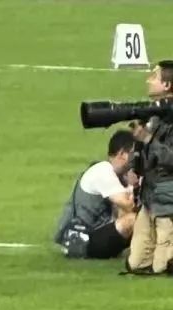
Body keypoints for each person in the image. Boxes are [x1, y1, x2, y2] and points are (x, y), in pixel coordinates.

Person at [53, 130, 138, 260]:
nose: (136, 158)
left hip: (90, 235)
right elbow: (128, 204)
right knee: (134, 219)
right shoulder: (103, 171)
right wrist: (133, 186)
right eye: (133, 154)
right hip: (82, 240)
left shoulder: (117, 175)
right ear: (122, 154)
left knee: (136, 217)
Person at [126, 61, 173, 275]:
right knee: (137, 264)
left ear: (167, 85)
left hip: (168, 200)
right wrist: (133, 168)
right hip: (150, 198)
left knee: (163, 267)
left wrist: (147, 139)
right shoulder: (154, 114)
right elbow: (144, 151)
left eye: (154, 77)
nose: (148, 80)